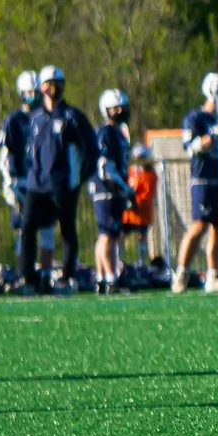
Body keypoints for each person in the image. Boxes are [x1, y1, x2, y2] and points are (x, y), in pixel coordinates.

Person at [18, 65, 94, 294]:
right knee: (27, 227)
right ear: (41, 87)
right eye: (47, 83)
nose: (52, 88)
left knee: (67, 229)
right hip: (36, 184)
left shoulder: (73, 117)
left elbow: (90, 149)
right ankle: (28, 279)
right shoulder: (35, 118)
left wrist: (80, 179)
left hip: (63, 184)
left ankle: (67, 278)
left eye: (56, 83)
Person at [173, 72, 218, 293]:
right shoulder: (195, 118)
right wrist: (214, 134)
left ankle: (213, 274)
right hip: (204, 179)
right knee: (199, 225)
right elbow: (191, 147)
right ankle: (182, 272)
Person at [90, 89, 135, 288]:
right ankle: (110, 277)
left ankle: (101, 277)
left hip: (113, 189)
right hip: (107, 189)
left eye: (122, 107)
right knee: (108, 234)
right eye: (115, 108)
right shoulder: (105, 132)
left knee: (107, 234)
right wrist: (124, 187)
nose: (120, 111)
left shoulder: (118, 133)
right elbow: (106, 167)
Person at [0, 69, 38, 272]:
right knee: (24, 227)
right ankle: (24, 270)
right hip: (22, 180)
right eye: (30, 92)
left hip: (42, 181)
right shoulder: (13, 120)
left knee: (43, 227)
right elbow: (4, 155)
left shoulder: (45, 117)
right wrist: (9, 181)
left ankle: (39, 269)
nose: (35, 96)